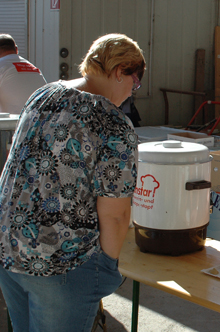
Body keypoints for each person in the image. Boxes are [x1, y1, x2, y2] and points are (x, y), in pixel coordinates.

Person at [0, 33, 145, 332]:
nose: (133, 91)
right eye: (136, 81)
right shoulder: (114, 123)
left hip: (7, 247)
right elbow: (116, 214)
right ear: (121, 72)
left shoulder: (43, 94)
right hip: (62, 263)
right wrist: (107, 267)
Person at [0, 34, 47, 114]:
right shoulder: (33, 68)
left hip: (11, 124)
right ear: (16, 49)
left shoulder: (2, 65)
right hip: (39, 121)